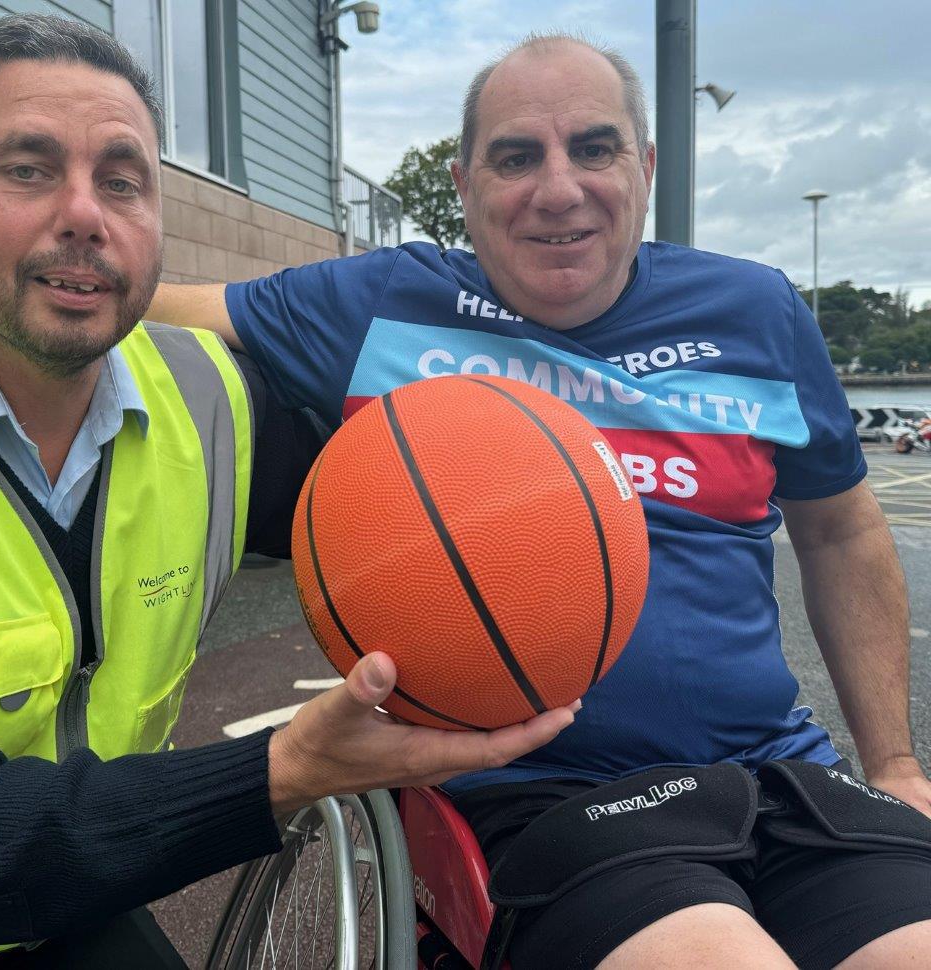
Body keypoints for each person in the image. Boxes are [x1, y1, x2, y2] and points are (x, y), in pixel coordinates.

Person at [0, 17, 579, 969]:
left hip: (54, 903)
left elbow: (434, 522)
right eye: (27, 168)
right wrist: (287, 770)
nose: (85, 213)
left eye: (123, 180)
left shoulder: (213, 401)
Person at [145, 32, 931, 970]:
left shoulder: (756, 310)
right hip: (538, 789)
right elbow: (142, 308)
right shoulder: (389, 301)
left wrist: (892, 765)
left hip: (779, 772)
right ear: (465, 183)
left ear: (642, 166)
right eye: (516, 157)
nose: (558, 189)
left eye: (594, 148)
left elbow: (840, 531)